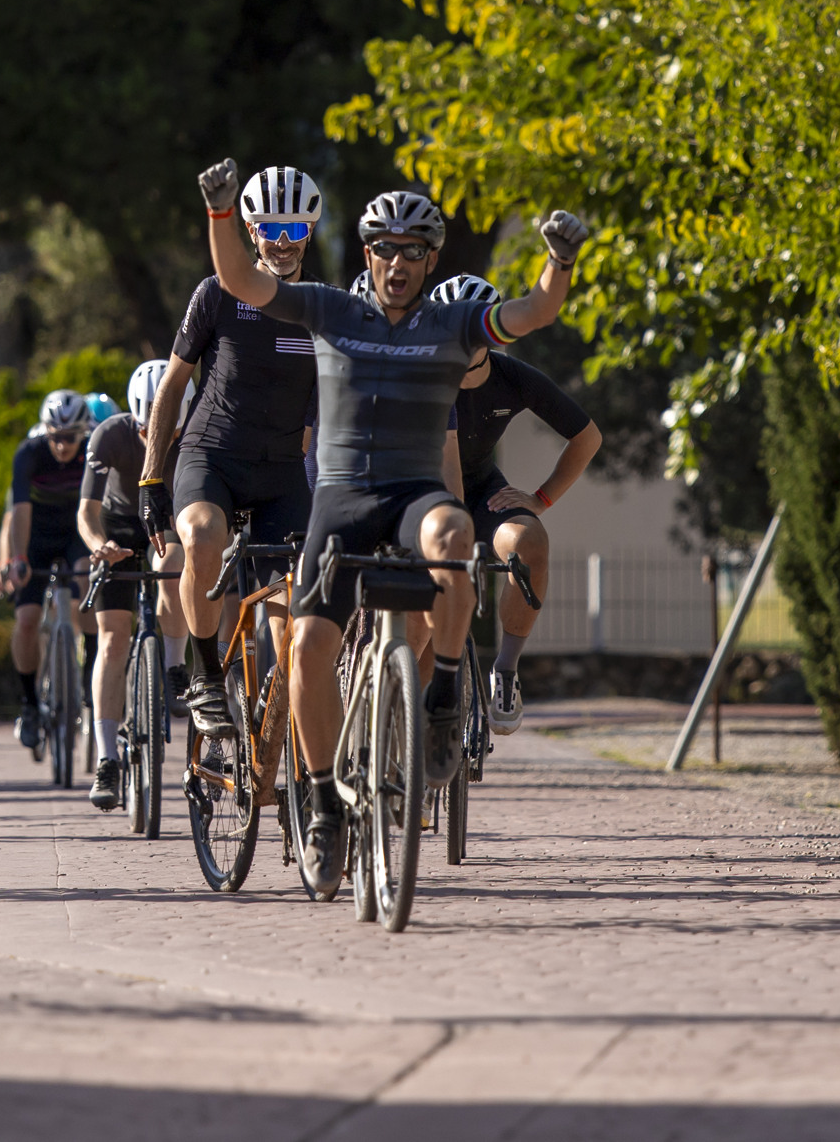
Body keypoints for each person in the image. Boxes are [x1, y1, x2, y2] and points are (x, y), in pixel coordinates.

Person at [195, 158, 584, 891]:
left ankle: (440, 693)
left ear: (431, 260)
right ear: (366, 252)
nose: (397, 263)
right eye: (383, 247)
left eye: (413, 251)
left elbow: (533, 311)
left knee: (454, 538)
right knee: (307, 643)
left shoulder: (453, 321)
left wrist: (558, 261)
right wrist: (221, 214)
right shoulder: (330, 309)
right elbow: (243, 283)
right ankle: (320, 803)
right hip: (341, 499)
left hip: (413, 494)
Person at [138, 166, 320, 741]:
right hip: (210, 455)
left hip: (283, 473)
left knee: (295, 629)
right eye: (271, 227)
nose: (283, 240)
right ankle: (206, 675)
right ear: (249, 228)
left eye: (294, 225)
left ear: (310, 231)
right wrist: (150, 480)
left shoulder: (320, 307)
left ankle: (285, 752)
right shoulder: (216, 293)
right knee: (202, 534)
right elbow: (173, 384)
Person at [429, 274, 602, 733]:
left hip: (484, 491)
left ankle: (505, 670)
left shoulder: (512, 377)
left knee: (530, 542)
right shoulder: (418, 372)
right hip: (423, 492)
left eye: (477, 327)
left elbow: (587, 437)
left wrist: (540, 497)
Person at [79, 359, 190, 811]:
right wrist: (98, 545)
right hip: (118, 524)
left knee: (177, 560)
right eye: (149, 431)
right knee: (112, 639)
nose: (157, 441)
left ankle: (173, 665)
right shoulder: (109, 434)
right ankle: (107, 758)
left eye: (168, 432)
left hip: (169, 519)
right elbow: (86, 511)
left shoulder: (198, 427)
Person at [0, 390, 98, 749]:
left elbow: (102, 507)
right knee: (26, 619)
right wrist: (17, 559)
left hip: (75, 532)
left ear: (83, 432)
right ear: (45, 431)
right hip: (35, 534)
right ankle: (29, 704)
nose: (63, 445)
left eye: (71, 438)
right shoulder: (29, 453)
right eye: (56, 437)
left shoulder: (92, 452)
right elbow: (18, 511)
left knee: (89, 584)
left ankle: (89, 680)